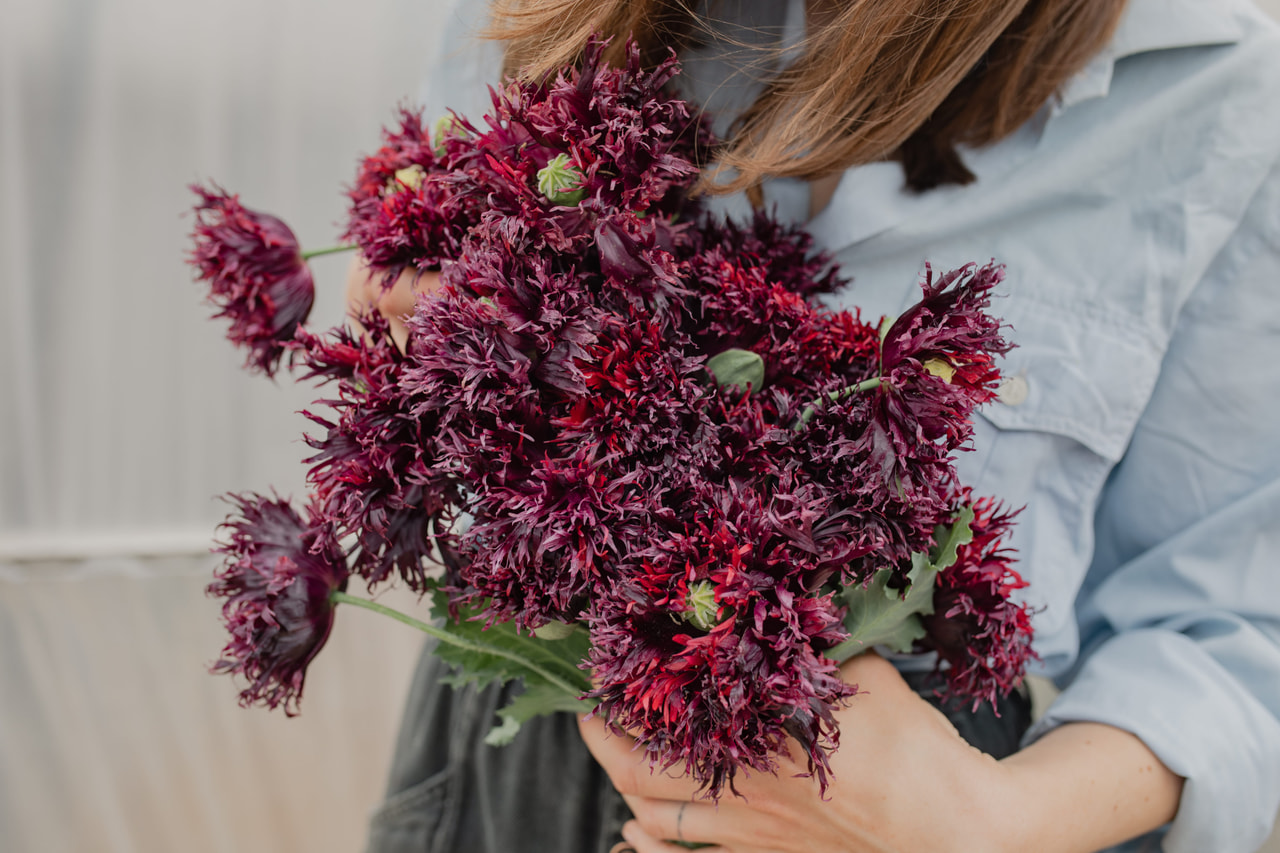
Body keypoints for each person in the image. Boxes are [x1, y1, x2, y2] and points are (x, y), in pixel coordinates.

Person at [350, 1, 1280, 850]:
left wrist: (987, 824)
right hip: (507, 766)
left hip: (898, 806)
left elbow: (1232, 626)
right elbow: (423, 270)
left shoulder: (1213, 80)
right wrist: (411, 324)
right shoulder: (561, 11)